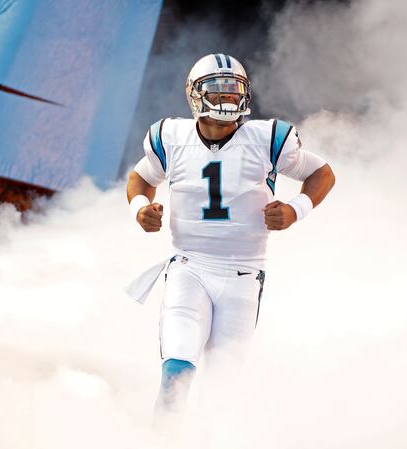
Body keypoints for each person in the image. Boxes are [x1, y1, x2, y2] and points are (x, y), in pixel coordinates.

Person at [125, 53, 335, 422]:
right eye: (217, 91)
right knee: (176, 371)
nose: (226, 99)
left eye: (232, 91)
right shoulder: (170, 137)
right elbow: (139, 179)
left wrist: (295, 209)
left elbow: (321, 173)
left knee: (219, 392)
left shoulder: (267, 138)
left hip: (243, 274)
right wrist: (140, 208)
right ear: (195, 96)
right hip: (189, 267)